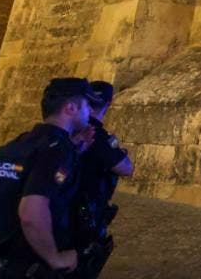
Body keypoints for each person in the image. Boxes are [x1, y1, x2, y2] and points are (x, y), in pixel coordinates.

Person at [0, 77, 98, 278]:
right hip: (24, 265)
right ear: (71, 108)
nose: (90, 112)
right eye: (87, 105)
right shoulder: (56, 151)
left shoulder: (17, 145)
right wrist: (55, 258)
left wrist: (73, 151)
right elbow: (31, 212)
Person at [70, 80, 134, 278]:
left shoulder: (68, 130)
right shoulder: (97, 136)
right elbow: (126, 168)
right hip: (84, 214)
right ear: (109, 102)